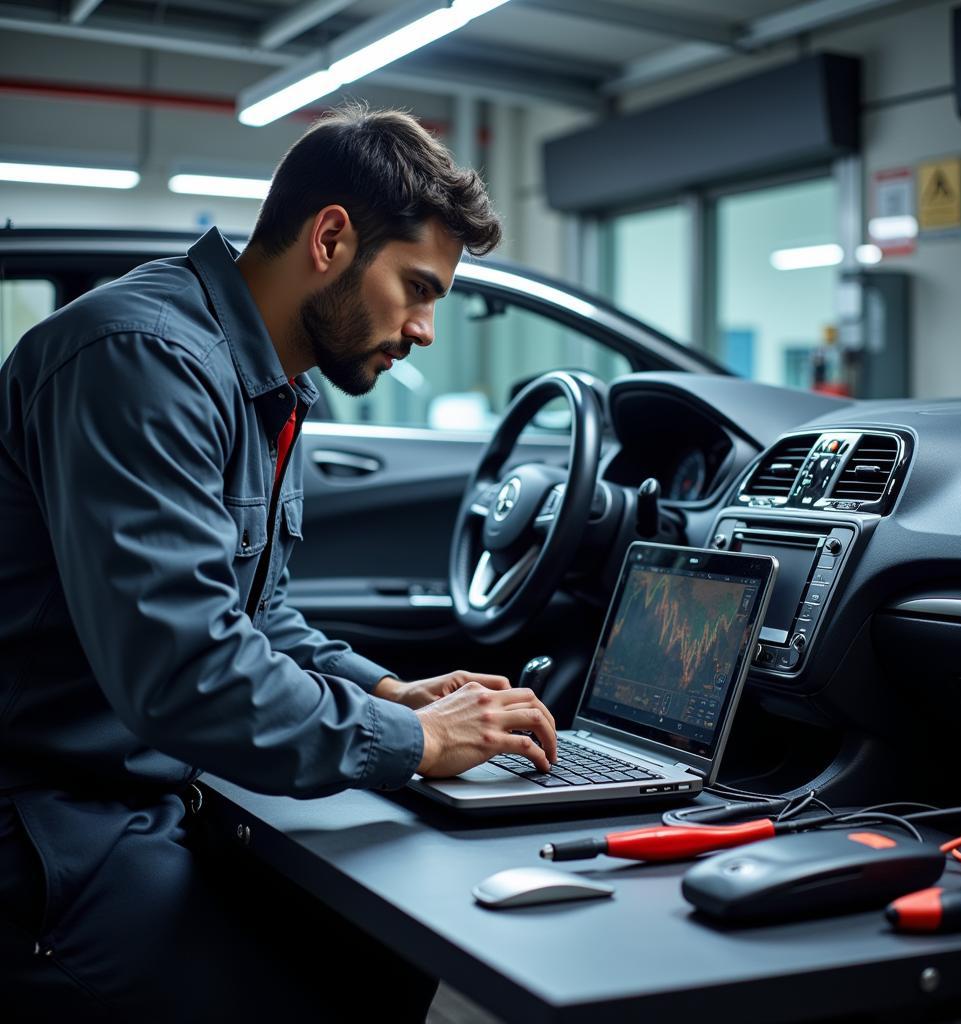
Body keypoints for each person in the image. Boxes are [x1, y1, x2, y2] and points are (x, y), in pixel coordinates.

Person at [0, 105, 557, 1022]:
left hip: (130, 795)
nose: (424, 329)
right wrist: (416, 745)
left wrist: (391, 695)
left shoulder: (266, 384)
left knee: (375, 954)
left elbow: (257, 620)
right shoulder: (145, 358)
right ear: (332, 237)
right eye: (417, 287)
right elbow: (185, 670)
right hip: (40, 826)